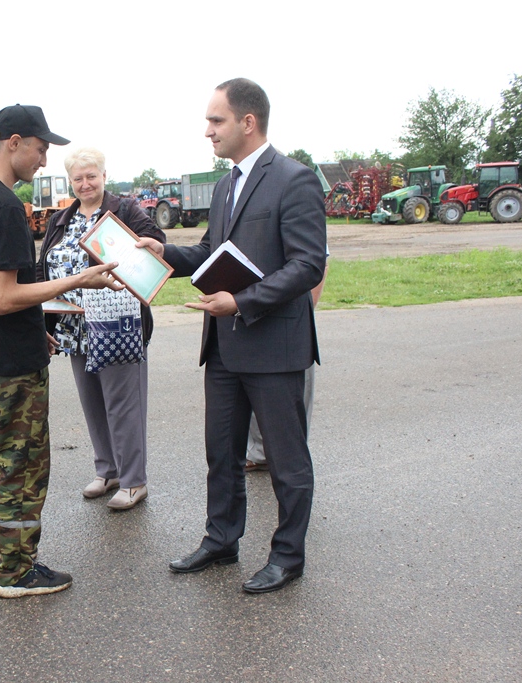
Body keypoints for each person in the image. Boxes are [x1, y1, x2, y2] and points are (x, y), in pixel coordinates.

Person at [137, 79, 327, 594]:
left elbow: (307, 264)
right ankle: (221, 541)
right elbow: (209, 251)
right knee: (221, 453)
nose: (207, 131)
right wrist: (164, 252)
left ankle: (288, 557)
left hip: (273, 344)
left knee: (287, 462)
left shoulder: (295, 179)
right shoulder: (224, 186)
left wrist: (243, 302)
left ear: (248, 122)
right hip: (223, 345)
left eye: (215, 121)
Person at [0, 104, 122, 598]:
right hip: (12, 363)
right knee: (24, 464)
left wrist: (35, 328)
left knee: (3, 456)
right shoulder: (4, 205)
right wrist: (80, 278)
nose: (44, 160)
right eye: (40, 147)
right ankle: (18, 571)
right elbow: (3, 296)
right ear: (13, 141)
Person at [37, 147, 166, 510]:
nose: (85, 183)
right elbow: (41, 266)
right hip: (73, 326)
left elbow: (155, 241)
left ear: (104, 176)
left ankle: (133, 480)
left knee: (123, 403)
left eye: (91, 175)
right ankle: (107, 470)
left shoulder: (124, 210)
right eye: (77, 178)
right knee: (93, 402)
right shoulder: (60, 219)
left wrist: (152, 246)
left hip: (116, 325)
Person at [246, 261, 328, 471]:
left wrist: (306, 310)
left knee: (291, 408)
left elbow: (316, 262)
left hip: (290, 318)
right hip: (250, 312)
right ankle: (260, 453)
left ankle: (289, 458)